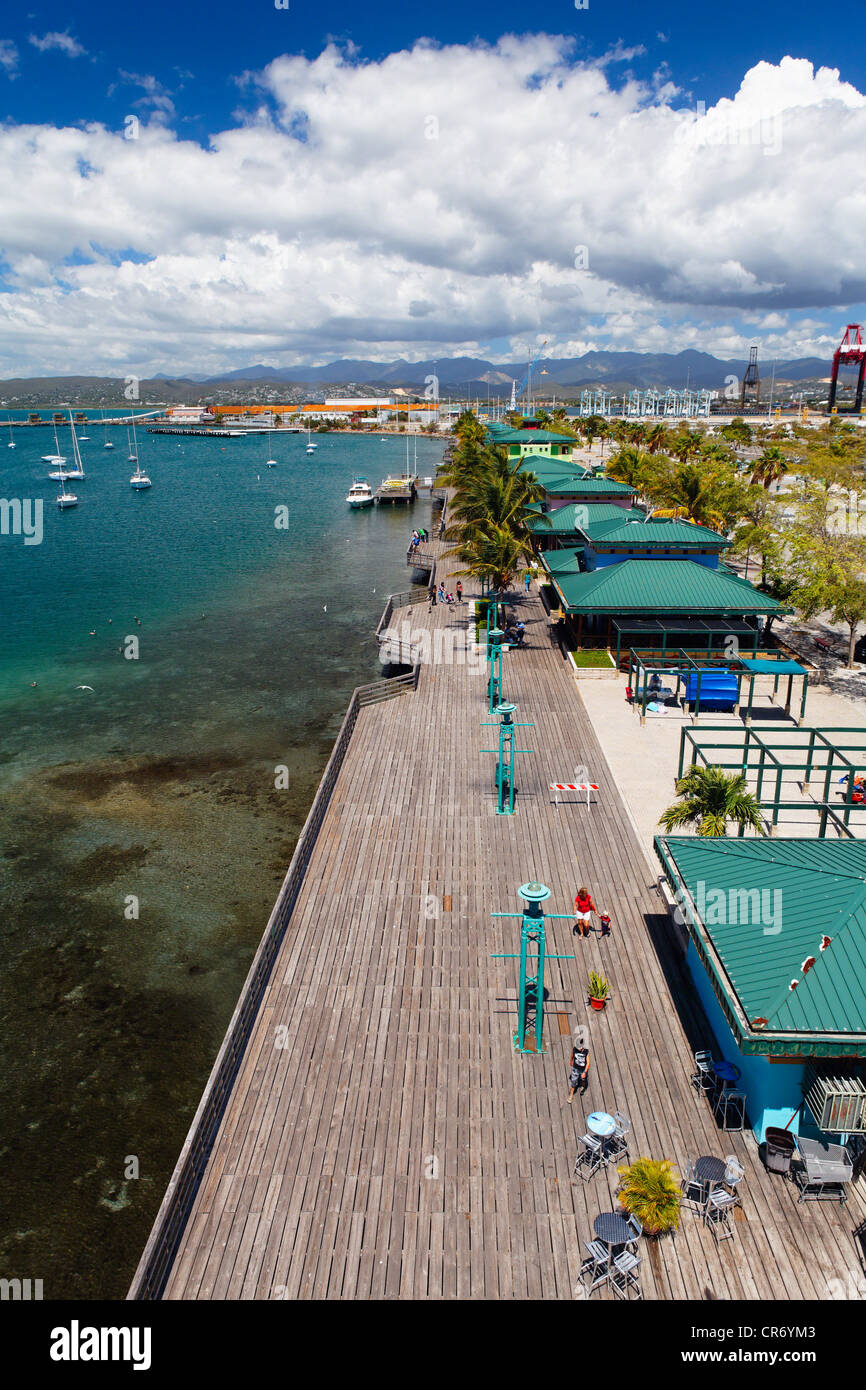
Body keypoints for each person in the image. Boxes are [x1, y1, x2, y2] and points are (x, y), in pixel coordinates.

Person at [567, 1029, 591, 1103]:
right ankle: (571, 1095)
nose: (579, 1049)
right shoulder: (575, 1049)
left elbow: (588, 1063)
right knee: (573, 1081)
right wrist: (571, 1060)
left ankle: (583, 1086)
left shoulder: (586, 1051)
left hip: (583, 1069)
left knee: (583, 1079)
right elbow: (572, 1054)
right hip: (575, 1068)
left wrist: (585, 1072)